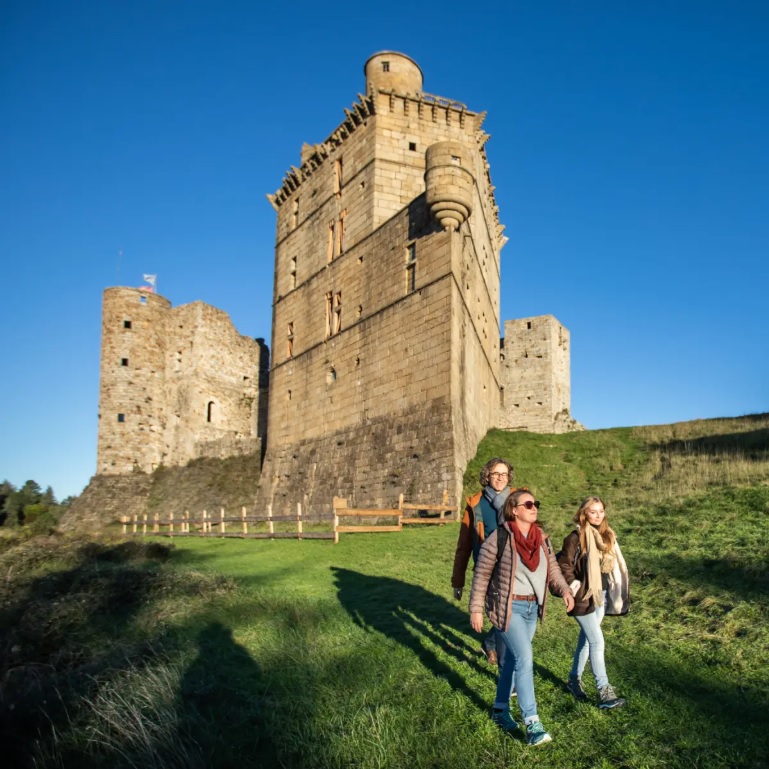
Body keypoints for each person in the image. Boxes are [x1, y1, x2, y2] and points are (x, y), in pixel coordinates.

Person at [469, 490, 575, 746]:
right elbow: (481, 574)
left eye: (535, 503)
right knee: (525, 659)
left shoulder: (542, 539)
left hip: (531, 609)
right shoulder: (499, 537)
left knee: (515, 660)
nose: (533, 507)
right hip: (508, 608)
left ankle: (499, 710)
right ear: (514, 510)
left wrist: (565, 590)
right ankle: (532, 724)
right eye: (527, 504)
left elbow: (553, 570)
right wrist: (476, 609)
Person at [557, 495, 629, 709]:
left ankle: (573, 680)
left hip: (601, 595)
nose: (598, 515)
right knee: (597, 642)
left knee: (588, 640)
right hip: (583, 597)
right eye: (593, 511)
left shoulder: (607, 535)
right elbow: (564, 565)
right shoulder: (575, 537)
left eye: (601, 511)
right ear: (584, 513)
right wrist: (573, 585)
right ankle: (604, 692)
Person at [451, 457, 515, 666]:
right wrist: (458, 581)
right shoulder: (475, 504)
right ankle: (497, 651)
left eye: (504, 474)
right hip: (487, 568)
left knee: (510, 610)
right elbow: (464, 546)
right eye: (496, 473)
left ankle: (490, 644)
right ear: (487, 476)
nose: (500, 478)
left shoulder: (517, 499)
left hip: (514, 566)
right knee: (499, 611)